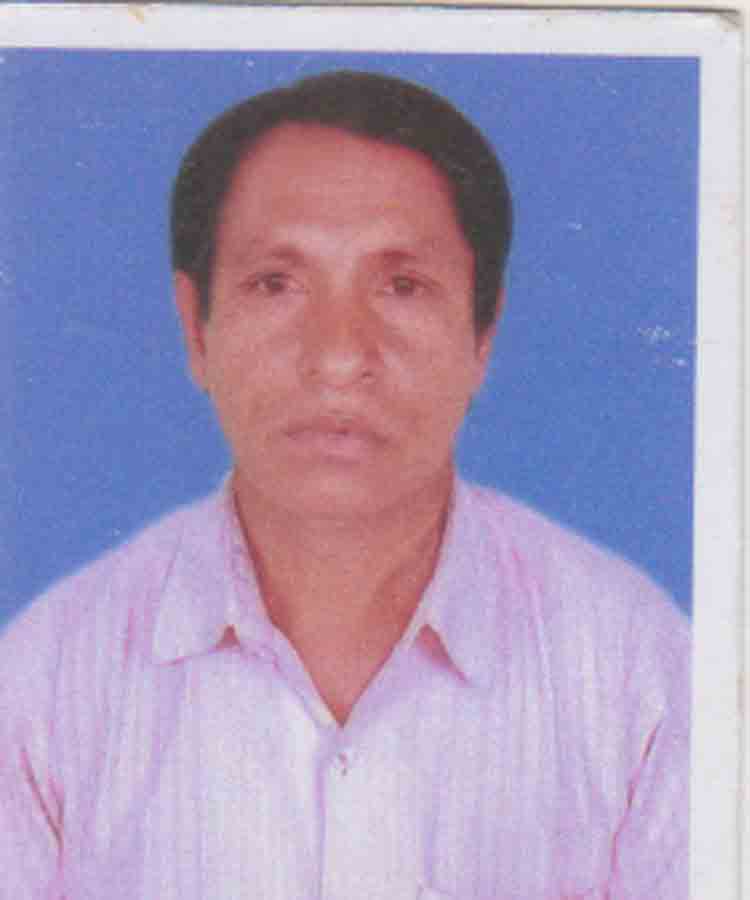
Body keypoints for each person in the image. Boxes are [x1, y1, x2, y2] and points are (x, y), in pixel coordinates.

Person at [0, 71, 689, 900]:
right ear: (196, 327)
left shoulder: (639, 674)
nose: (337, 357)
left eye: (402, 286)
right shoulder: (44, 685)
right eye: (275, 283)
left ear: (483, 333)